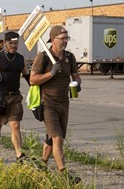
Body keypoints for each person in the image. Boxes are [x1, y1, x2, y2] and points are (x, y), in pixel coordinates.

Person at [30, 26, 82, 183]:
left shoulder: (69, 57)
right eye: (62, 38)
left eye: (67, 38)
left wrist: (77, 84)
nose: (65, 41)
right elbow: (33, 80)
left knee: (52, 139)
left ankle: (41, 164)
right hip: (48, 103)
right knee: (57, 138)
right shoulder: (43, 57)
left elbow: (76, 75)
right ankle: (64, 174)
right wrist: (51, 73)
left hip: (64, 103)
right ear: (53, 39)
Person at [0, 31, 30, 162]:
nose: (13, 46)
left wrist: (37, 86)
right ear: (4, 43)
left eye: (16, 43)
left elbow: (28, 76)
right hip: (0, 97)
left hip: (15, 97)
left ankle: (19, 155)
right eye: (10, 43)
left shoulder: (21, 59)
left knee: (15, 125)